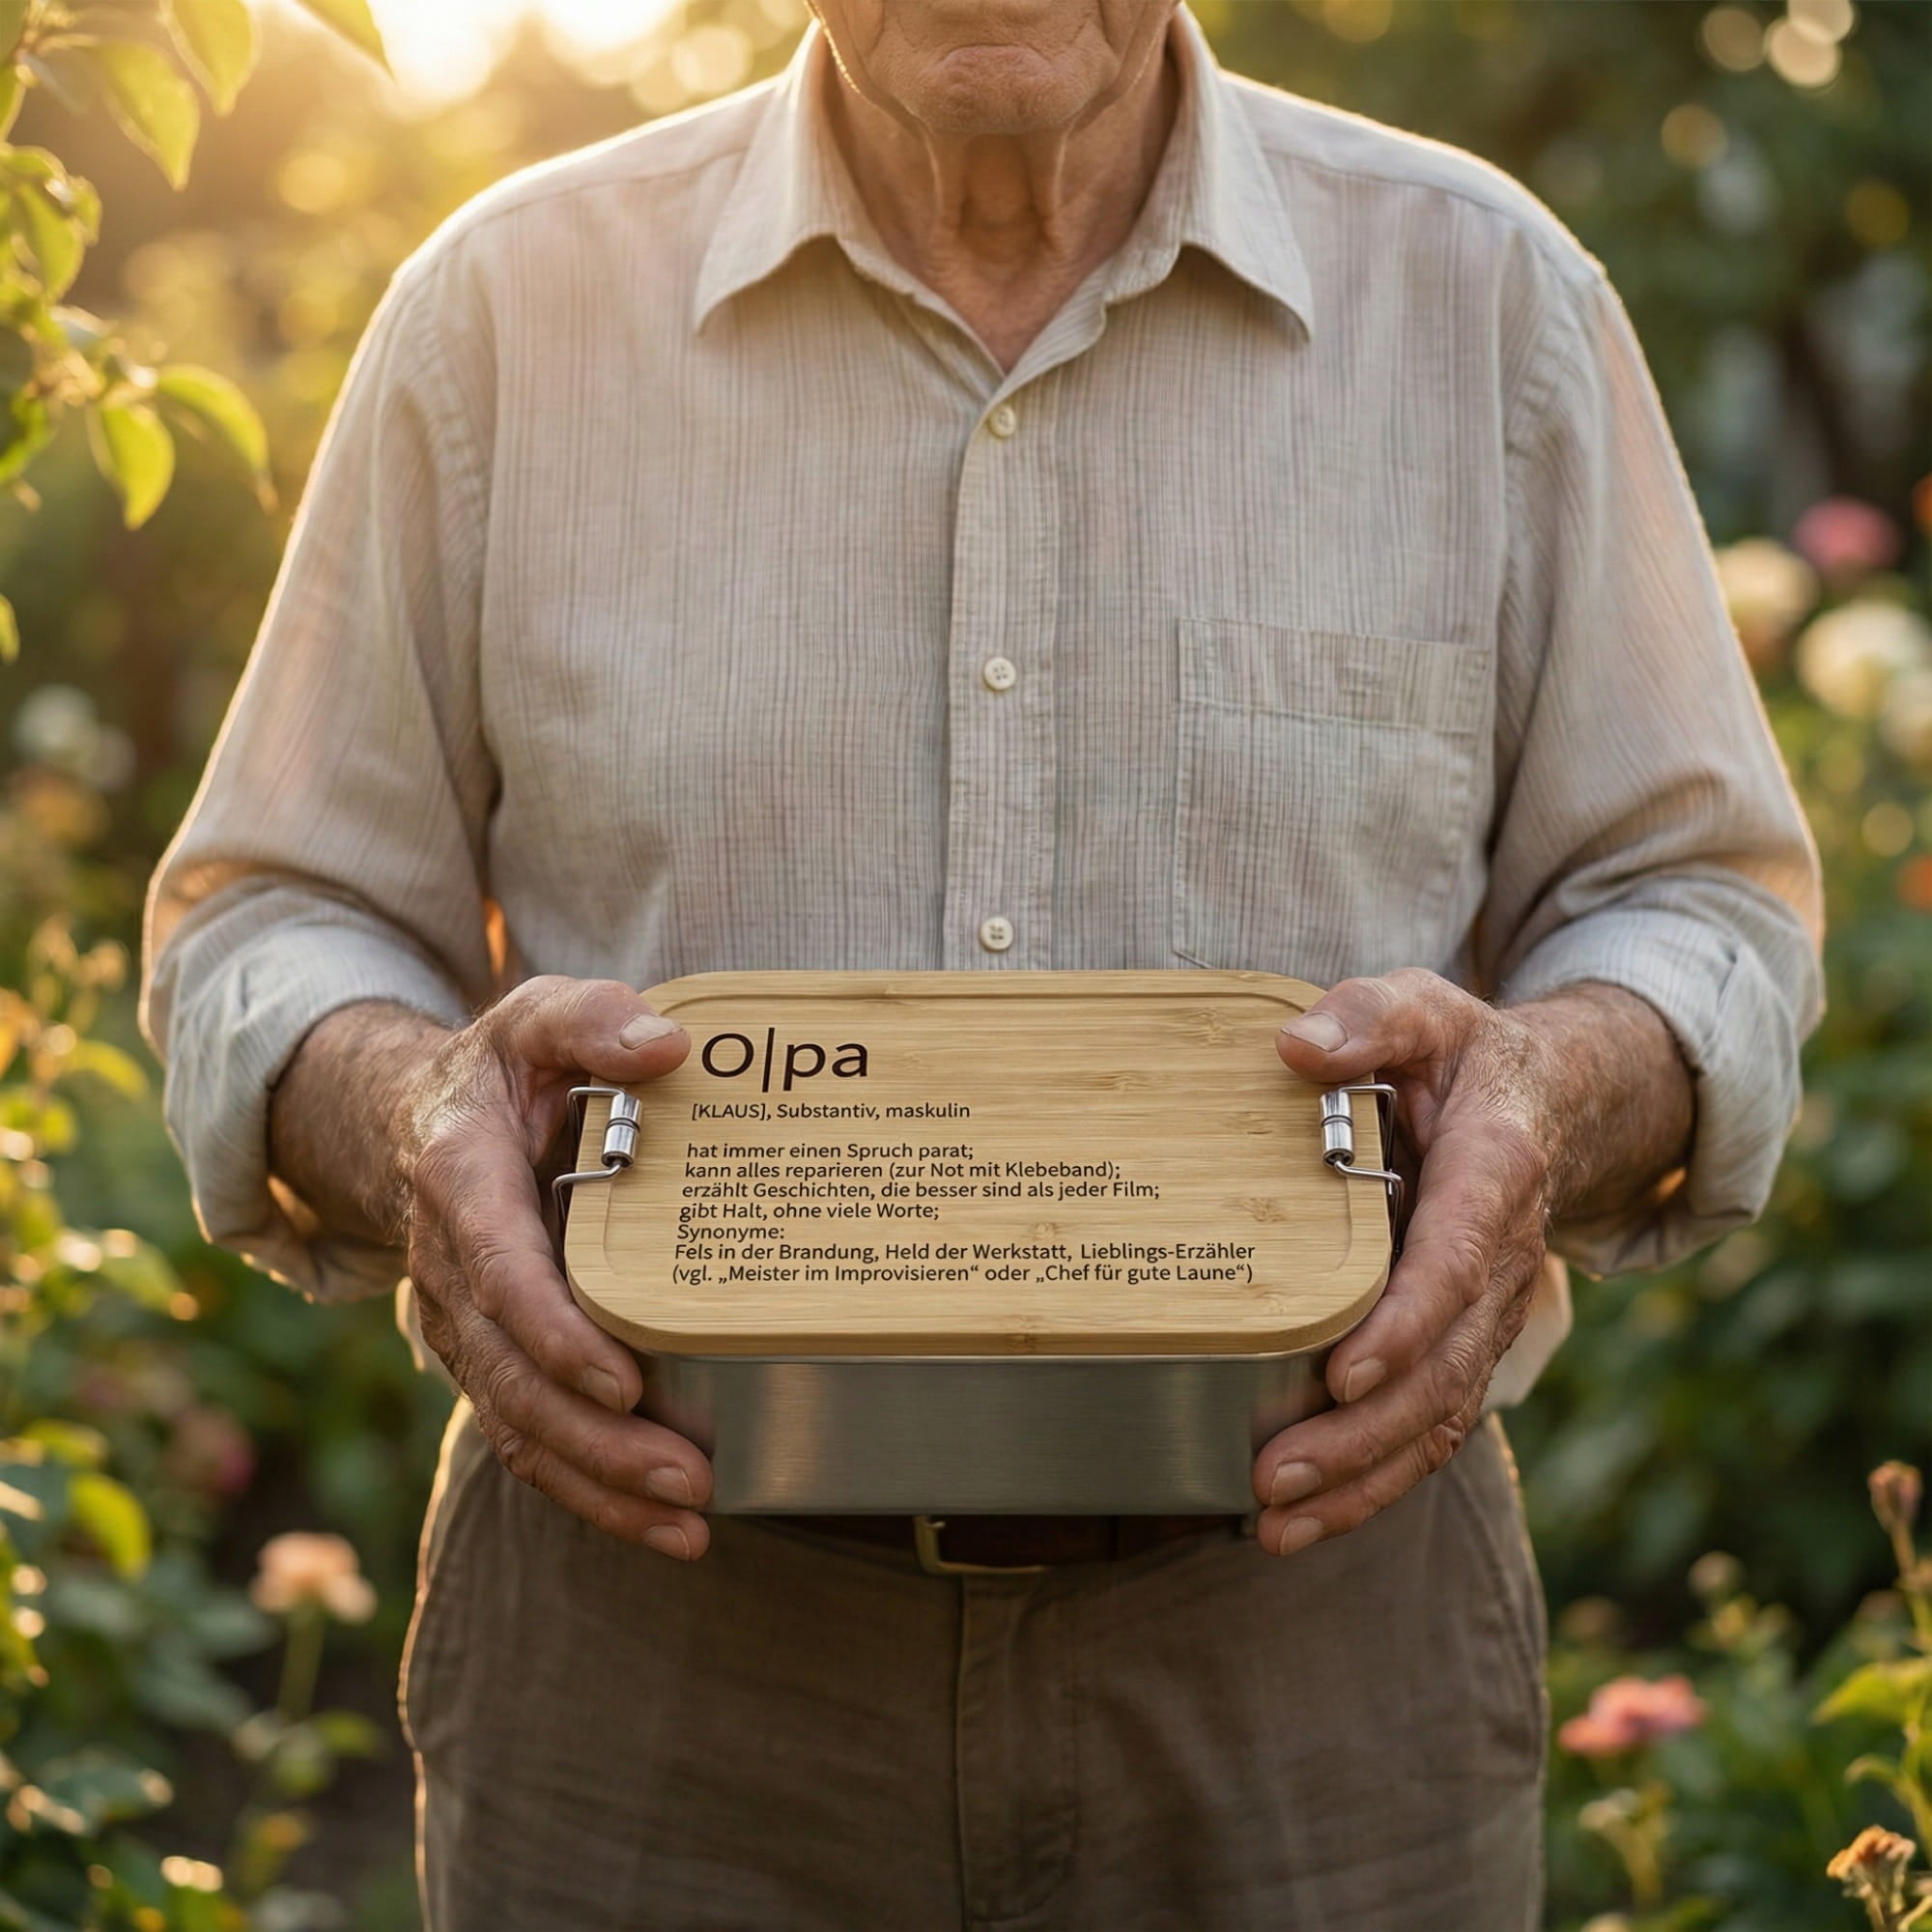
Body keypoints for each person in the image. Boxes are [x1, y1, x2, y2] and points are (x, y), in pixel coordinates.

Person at [142, 2, 1823, 1925]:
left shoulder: (1483, 301)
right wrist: (415, 1105)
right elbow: (274, 920)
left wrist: (1547, 1089)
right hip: (652, 1645)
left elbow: (1696, 907)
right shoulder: (505, 313)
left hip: (1316, 1644)